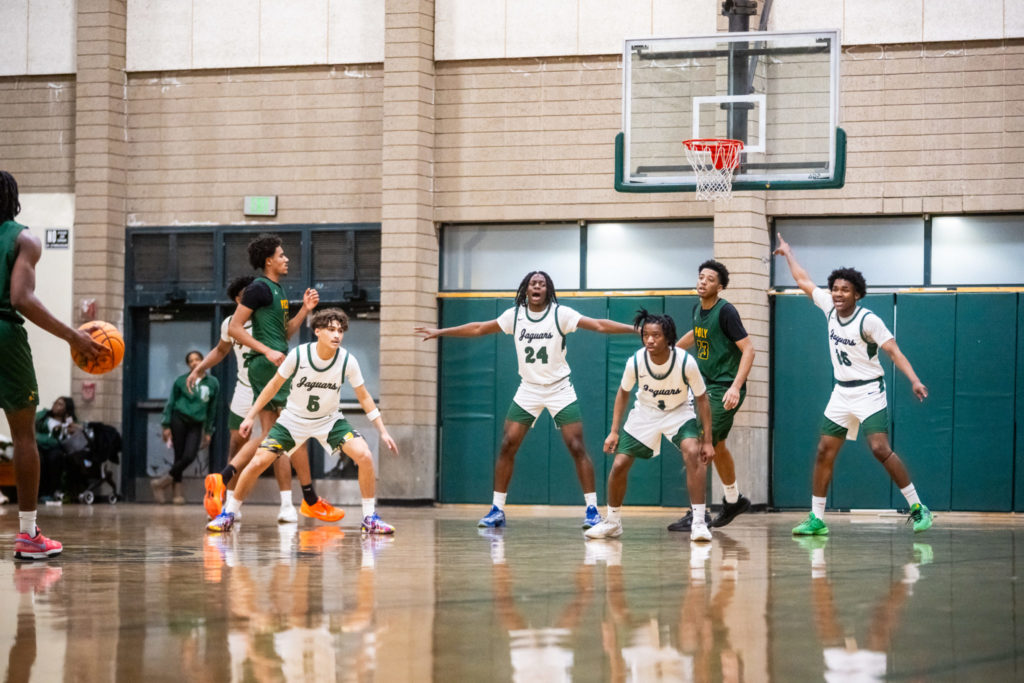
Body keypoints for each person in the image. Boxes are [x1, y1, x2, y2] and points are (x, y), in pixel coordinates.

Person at [416, 270, 635, 529]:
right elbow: (478, 328)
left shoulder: (560, 314)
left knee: (577, 446)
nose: (537, 286)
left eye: (542, 284)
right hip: (529, 389)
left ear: (548, 289)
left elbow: (599, 324)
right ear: (526, 289)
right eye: (533, 283)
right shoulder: (515, 316)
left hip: (559, 388)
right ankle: (497, 509)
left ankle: (591, 510)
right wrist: (440, 331)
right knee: (508, 444)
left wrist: (635, 329)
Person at [774, 233, 933, 535]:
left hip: (870, 390)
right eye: (835, 288)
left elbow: (894, 351)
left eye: (845, 290)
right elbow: (804, 281)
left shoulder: (868, 320)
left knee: (878, 448)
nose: (837, 293)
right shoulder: (829, 308)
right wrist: (789, 253)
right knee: (824, 450)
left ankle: (918, 507)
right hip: (841, 393)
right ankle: (816, 519)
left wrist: (914, 380)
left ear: (857, 294)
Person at [208, 308, 397, 533]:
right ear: (317, 331)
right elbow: (273, 387)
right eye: (331, 330)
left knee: (364, 455)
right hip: (293, 421)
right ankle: (228, 513)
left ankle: (369, 518)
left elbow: (365, 397)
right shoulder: (299, 355)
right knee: (258, 461)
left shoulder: (347, 360)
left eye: (340, 330)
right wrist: (250, 416)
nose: (337, 335)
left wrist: (383, 431)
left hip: (329, 421)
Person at [0, 170, 106, 559]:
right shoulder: (22, 238)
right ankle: (28, 535)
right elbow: (21, 298)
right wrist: (73, 335)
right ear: (13, 200)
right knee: (25, 437)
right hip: (4, 337)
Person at [203, 234, 320, 524]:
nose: (286, 259)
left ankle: (224, 478)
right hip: (268, 366)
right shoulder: (258, 288)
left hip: (273, 364)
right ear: (269, 261)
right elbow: (235, 328)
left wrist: (305, 310)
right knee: (289, 433)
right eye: (282, 255)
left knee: (272, 438)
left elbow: (285, 334)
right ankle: (307, 499)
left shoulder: (277, 291)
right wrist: (266, 350)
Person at [585, 310, 715, 542]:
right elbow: (623, 393)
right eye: (645, 335)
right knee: (619, 464)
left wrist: (708, 440)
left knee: (693, 453)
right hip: (645, 413)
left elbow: (703, 399)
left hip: (679, 412)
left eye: (655, 335)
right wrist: (614, 431)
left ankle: (698, 523)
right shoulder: (635, 361)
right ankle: (613, 522)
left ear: (668, 337)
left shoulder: (686, 361)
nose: (650, 340)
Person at [186, 275, 298, 518]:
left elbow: (287, 335)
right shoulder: (230, 324)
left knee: (278, 444)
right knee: (236, 443)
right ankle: (228, 503)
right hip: (245, 388)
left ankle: (287, 504)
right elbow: (220, 350)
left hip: (271, 385)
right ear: (240, 299)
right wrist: (200, 368)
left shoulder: (269, 317)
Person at [668, 260, 754, 533]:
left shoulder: (726, 311)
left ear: (720, 286)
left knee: (698, 445)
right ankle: (733, 500)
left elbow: (749, 349)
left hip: (724, 386)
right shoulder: (698, 309)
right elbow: (697, 334)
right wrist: (670, 352)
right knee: (717, 446)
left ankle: (699, 514)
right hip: (705, 387)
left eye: (710, 279)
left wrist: (736, 387)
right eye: (700, 277)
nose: (703, 281)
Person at [151, 350, 219, 504]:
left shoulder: (212, 383)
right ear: (188, 364)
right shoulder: (181, 381)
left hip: (197, 423)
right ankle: (177, 494)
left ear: (204, 361)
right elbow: (171, 403)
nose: (194, 363)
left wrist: (208, 431)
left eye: (197, 359)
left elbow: (212, 409)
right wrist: (166, 425)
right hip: (179, 419)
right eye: (191, 361)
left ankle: (161, 483)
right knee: (178, 456)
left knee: (189, 455)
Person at [34, 396, 80, 501]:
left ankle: (51, 493)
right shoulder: (43, 416)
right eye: (55, 402)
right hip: (40, 446)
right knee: (39, 459)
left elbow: (81, 429)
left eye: (60, 404)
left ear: (66, 409)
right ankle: (38, 493)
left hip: (56, 449)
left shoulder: (68, 423)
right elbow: (33, 430)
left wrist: (71, 425)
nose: (56, 405)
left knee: (55, 457)